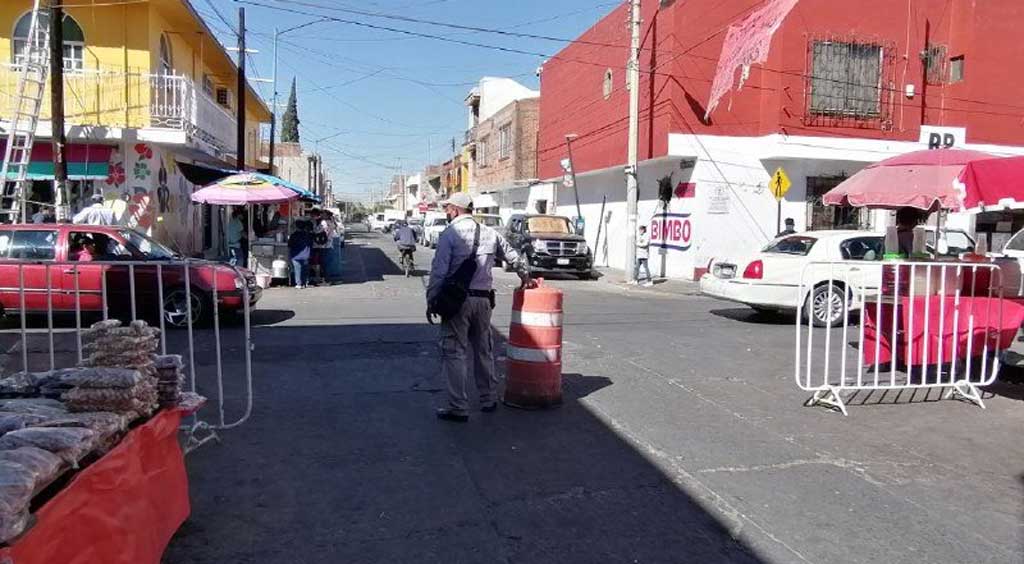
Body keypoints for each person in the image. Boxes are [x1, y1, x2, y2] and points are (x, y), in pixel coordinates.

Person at [427, 192, 533, 423]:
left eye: (448, 209)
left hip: (457, 302)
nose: (446, 212)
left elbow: (439, 271)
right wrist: (526, 278)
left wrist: (432, 299)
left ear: (455, 210)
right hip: (484, 301)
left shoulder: (450, 235)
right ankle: (488, 399)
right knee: (483, 350)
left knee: (454, 351)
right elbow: (514, 258)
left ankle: (459, 407)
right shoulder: (490, 232)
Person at [288, 221, 314, 289]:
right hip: (306, 255)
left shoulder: (293, 235)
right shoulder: (308, 235)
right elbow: (311, 244)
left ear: (296, 227)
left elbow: (290, 245)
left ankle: (299, 284)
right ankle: (305, 282)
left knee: (297, 270)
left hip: (296, 255)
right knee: (305, 269)